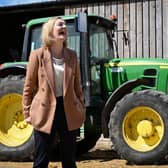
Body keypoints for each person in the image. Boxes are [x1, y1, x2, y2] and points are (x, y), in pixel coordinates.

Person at [22, 16, 86, 168]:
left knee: (69, 160)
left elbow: (77, 86)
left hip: (68, 110)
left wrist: (81, 108)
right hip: (44, 111)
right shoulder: (37, 55)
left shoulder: (72, 55)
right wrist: (27, 113)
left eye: (65, 25)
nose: (64, 27)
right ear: (50, 31)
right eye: (60, 24)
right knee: (41, 159)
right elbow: (28, 87)